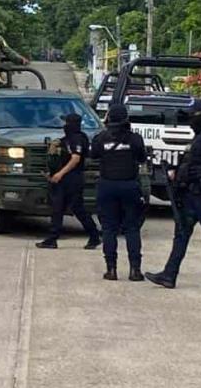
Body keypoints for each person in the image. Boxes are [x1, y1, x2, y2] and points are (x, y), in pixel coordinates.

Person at [146, 99, 201, 291]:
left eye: (193, 116)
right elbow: (193, 163)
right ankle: (169, 275)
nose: (190, 121)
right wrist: (177, 173)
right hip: (191, 195)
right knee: (181, 235)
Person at [91, 104, 147, 282]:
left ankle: (111, 269)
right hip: (129, 186)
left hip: (107, 186)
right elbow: (142, 158)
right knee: (132, 228)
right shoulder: (135, 139)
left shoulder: (101, 138)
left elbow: (93, 155)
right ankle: (135, 270)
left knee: (108, 228)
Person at [36, 113, 101, 250]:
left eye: (65, 122)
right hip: (66, 178)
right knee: (58, 208)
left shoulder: (77, 138)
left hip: (72, 178)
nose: (63, 125)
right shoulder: (68, 138)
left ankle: (94, 236)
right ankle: (52, 239)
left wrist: (60, 174)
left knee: (76, 208)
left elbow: (75, 158)